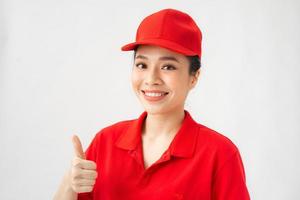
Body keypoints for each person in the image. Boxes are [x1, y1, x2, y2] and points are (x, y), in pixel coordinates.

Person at [54, 8, 250, 200]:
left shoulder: (219, 154)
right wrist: (69, 183)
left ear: (194, 77)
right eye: (142, 65)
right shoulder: (105, 142)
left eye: (168, 67)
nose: (151, 78)